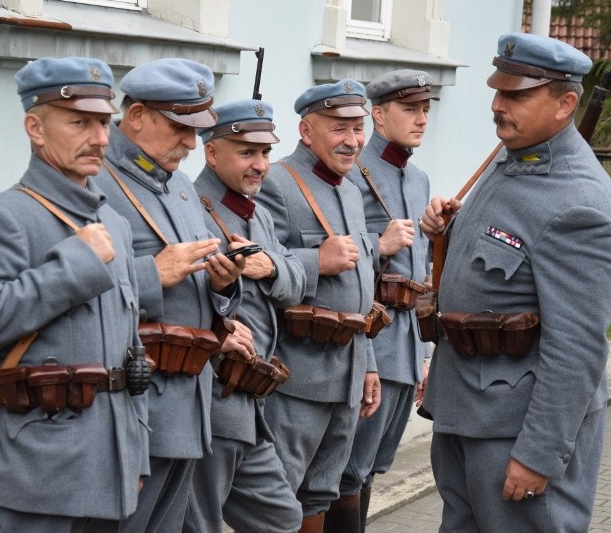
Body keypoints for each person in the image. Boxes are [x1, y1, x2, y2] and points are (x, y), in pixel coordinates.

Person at [418, 33, 611, 532]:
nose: (497, 104)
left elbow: (576, 348)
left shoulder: (579, 204)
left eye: (516, 95)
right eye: (499, 91)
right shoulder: (511, 163)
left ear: (566, 104)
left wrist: (539, 453)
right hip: (466, 411)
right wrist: (444, 233)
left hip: (515, 434)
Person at [0, 56, 150, 531]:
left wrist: (137, 453)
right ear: (35, 128)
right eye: (80, 122)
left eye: (104, 122)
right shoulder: (6, 216)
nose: (100, 138)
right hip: (41, 475)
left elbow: (132, 354)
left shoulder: (113, 224)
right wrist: (76, 264)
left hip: (113, 465)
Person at [93, 58, 247, 533]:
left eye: (197, 129)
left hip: (190, 404)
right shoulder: (95, 181)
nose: (190, 143)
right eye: (181, 127)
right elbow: (76, 290)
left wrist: (223, 287)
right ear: (136, 115)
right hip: (137, 406)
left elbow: (195, 280)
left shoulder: (178, 184)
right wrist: (149, 274)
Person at [257, 79, 382, 533]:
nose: (352, 140)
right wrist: (315, 261)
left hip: (346, 376)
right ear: (306, 131)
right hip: (297, 379)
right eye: (339, 128)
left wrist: (366, 362)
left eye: (358, 128)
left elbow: (360, 287)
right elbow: (256, 266)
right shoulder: (276, 183)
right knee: (277, 498)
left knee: (320, 495)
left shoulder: (350, 189)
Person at [182, 99, 306, 533]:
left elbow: (295, 284)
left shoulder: (259, 215)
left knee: (282, 518)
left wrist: (269, 265)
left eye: (265, 153)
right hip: (212, 399)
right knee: (200, 523)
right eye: (246, 152)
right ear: (211, 153)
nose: (260, 165)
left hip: (251, 403)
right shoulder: (192, 211)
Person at [328, 69, 438, 532]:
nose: (421, 120)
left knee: (372, 467)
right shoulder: (352, 174)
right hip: (371, 343)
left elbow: (424, 272)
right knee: (346, 471)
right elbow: (343, 259)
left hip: (407, 346)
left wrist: (426, 354)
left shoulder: (418, 180)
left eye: (425, 110)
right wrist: (381, 241)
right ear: (378, 114)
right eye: (410, 109)